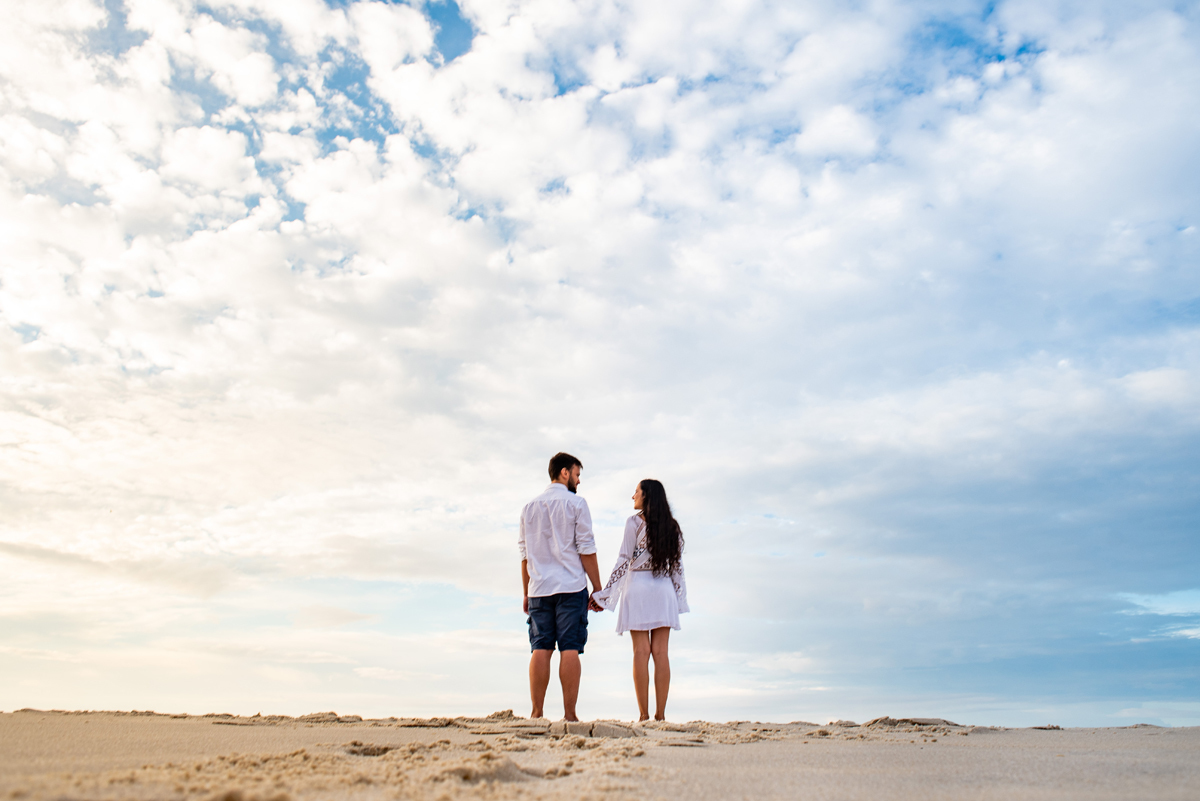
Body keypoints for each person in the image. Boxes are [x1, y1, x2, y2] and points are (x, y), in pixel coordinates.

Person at [593, 479, 688, 722]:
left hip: (637, 589)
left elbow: (624, 560)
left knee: (640, 653)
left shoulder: (633, 523)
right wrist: (679, 599)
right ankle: (661, 715)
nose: (632, 496)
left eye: (636, 492)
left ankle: (644, 715)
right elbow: (677, 568)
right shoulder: (672, 526)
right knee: (661, 653)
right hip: (663, 589)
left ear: (646, 496)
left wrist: (604, 595)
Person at [519, 452, 605, 721]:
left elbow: (525, 555)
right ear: (565, 472)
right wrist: (598, 588)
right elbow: (586, 550)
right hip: (570, 587)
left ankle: (536, 713)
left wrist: (525, 592)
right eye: (577, 475)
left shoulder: (529, 508)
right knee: (570, 647)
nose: (578, 482)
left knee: (540, 647)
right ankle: (569, 715)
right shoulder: (577, 504)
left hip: (539, 589)